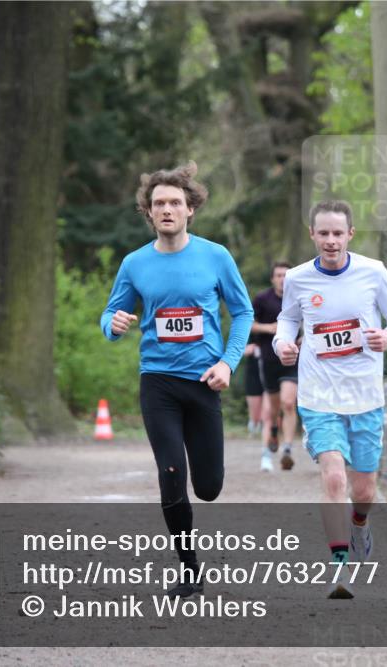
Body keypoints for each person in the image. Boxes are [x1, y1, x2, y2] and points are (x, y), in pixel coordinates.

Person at [100, 161, 253, 599]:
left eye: (174, 202)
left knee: (207, 488)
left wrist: (227, 362)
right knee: (170, 472)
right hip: (158, 383)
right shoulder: (135, 264)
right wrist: (114, 323)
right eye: (158, 203)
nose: (166, 209)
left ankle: (200, 502)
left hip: (204, 382)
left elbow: (242, 312)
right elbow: (110, 313)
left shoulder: (215, 256)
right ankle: (188, 568)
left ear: (190, 209)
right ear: (148, 212)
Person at [273, 200, 387, 599]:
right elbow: (288, 319)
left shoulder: (373, 272)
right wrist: (284, 342)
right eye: (323, 233)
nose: (330, 240)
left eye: (338, 233)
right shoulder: (298, 278)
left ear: (350, 234)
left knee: (364, 491)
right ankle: (338, 568)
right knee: (333, 476)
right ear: (312, 235)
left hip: (365, 394)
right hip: (318, 394)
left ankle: (360, 524)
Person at [251, 261, 299, 472]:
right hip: (269, 360)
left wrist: (303, 339)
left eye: (286, 275)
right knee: (272, 408)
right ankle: (270, 437)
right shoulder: (262, 299)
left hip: (292, 360)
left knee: (289, 403)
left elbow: (311, 323)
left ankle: (287, 450)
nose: (282, 279)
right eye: (278, 275)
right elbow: (248, 323)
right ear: (273, 278)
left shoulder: (298, 298)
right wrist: (270, 328)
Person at [243, 340, 265, 436]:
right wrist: (245, 349)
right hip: (253, 368)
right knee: (254, 405)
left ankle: (268, 428)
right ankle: (254, 426)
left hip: (271, 366)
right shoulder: (249, 327)